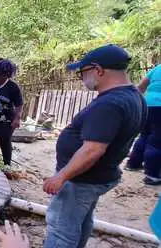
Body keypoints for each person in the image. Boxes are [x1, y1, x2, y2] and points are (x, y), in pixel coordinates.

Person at [42, 44, 147, 248]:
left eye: (82, 72)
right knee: (81, 221)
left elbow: (93, 149)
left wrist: (61, 176)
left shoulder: (109, 105)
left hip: (81, 179)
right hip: (99, 176)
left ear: (98, 70)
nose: (81, 78)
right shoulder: (134, 96)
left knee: (61, 229)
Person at [126, 64, 161, 185]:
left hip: (147, 104)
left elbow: (140, 87)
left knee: (144, 135)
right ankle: (152, 175)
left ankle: (133, 164)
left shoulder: (158, 68)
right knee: (157, 140)